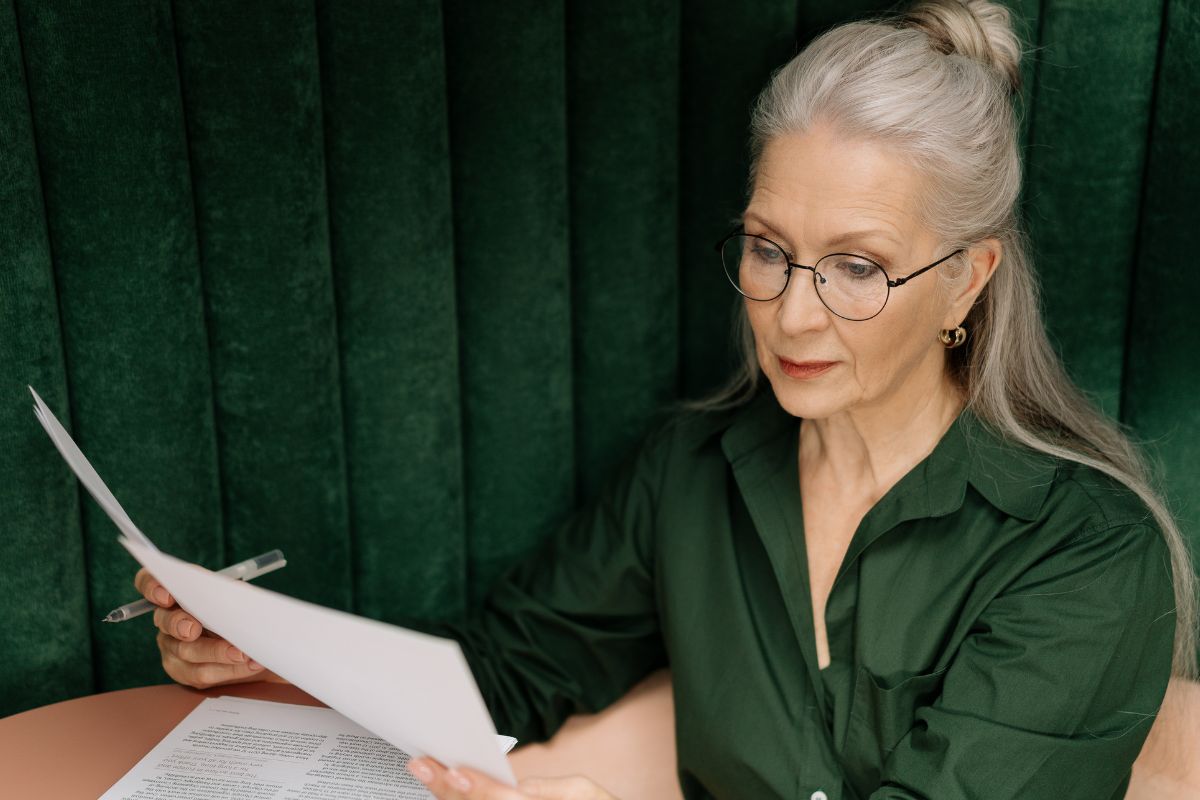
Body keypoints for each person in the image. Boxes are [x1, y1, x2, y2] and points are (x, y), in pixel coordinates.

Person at [133, 0, 1199, 797]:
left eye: (859, 267)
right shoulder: (691, 469)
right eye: (769, 250)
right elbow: (504, 668)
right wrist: (271, 647)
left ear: (969, 278)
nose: (791, 314)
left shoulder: (1088, 553)